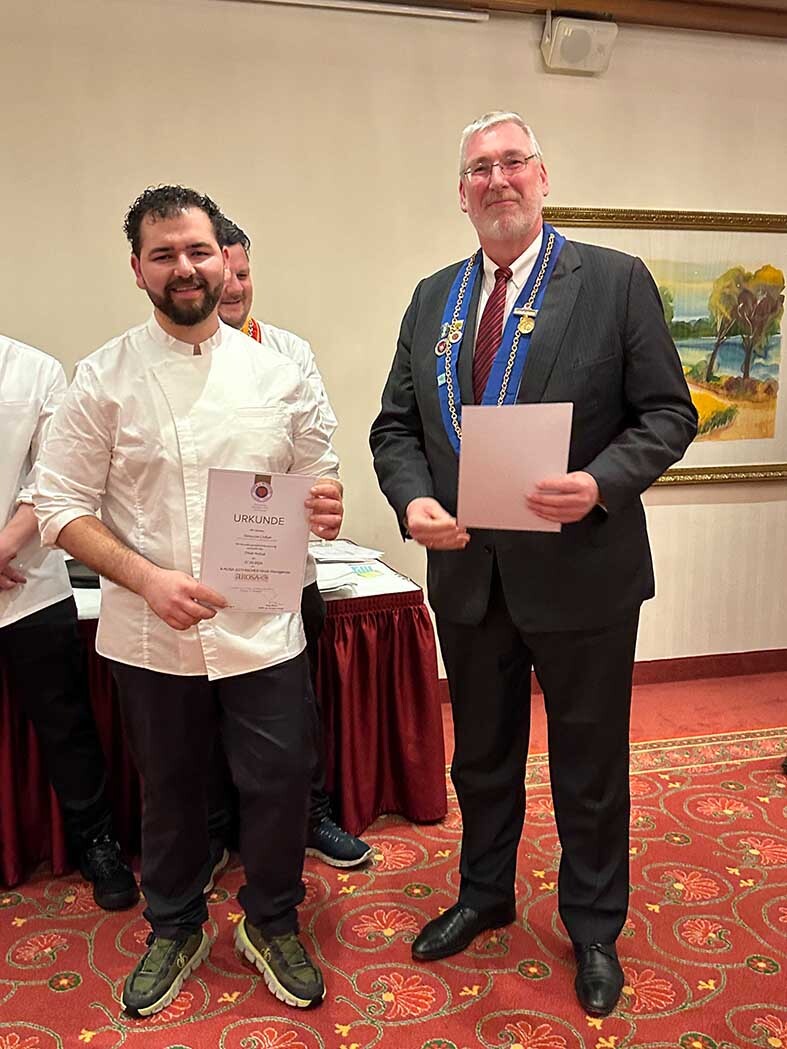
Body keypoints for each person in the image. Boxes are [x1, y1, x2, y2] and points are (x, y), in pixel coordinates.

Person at [369, 111, 698, 1017]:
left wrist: (598, 483)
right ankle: (484, 893)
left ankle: (592, 924)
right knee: (480, 757)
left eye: (512, 162)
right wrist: (411, 501)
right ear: (460, 193)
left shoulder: (614, 281)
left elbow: (668, 414)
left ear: (542, 178)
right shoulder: (432, 299)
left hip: (582, 572)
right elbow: (395, 427)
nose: (497, 179)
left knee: (588, 765)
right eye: (479, 168)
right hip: (469, 575)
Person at [34, 186, 343, 1017]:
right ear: (137, 268)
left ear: (223, 260)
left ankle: (272, 920)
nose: (184, 267)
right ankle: (173, 925)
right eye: (163, 253)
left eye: (198, 251)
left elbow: (316, 469)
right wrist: (146, 579)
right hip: (150, 629)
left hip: (263, 624)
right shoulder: (101, 378)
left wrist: (326, 501)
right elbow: (58, 506)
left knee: (279, 782)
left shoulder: (277, 372)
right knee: (169, 791)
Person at [216, 215, 372, 869]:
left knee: (295, 707)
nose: (234, 287)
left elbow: (317, 450)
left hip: (283, 566)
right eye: (223, 275)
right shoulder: (163, 362)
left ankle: (312, 815)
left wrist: (326, 497)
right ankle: (216, 832)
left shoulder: (288, 352)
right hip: (201, 576)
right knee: (204, 712)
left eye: (243, 273)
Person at [0, 334, 138, 910]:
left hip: (28, 586)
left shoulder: (35, 370)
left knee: (67, 729)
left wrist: (2, 547)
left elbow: (51, 483)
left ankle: (98, 844)